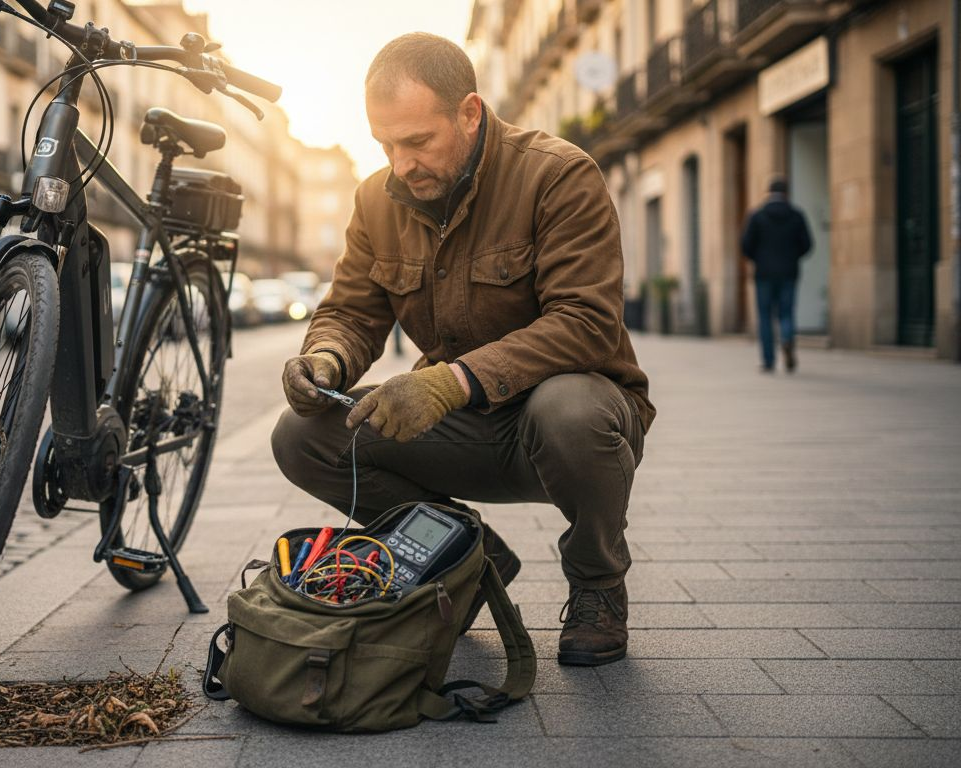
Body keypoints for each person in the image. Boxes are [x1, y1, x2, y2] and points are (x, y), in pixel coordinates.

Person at [270, 33, 654, 667]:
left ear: (470, 113)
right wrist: (325, 360)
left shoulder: (558, 175)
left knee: (568, 410)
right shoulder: (375, 200)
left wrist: (449, 383)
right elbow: (351, 312)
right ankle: (469, 557)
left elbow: (586, 321)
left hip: (571, 425)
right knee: (301, 435)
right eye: (386, 145)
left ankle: (598, 587)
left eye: (418, 142)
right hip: (466, 428)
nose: (401, 163)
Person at [740, 178, 813, 372]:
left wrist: (759, 258)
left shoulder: (757, 215)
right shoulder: (796, 215)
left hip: (763, 273)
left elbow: (745, 245)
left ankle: (769, 360)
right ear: (786, 194)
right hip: (788, 272)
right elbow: (807, 244)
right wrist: (792, 257)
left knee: (765, 316)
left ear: (768, 193)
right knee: (786, 312)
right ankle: (787, 339)